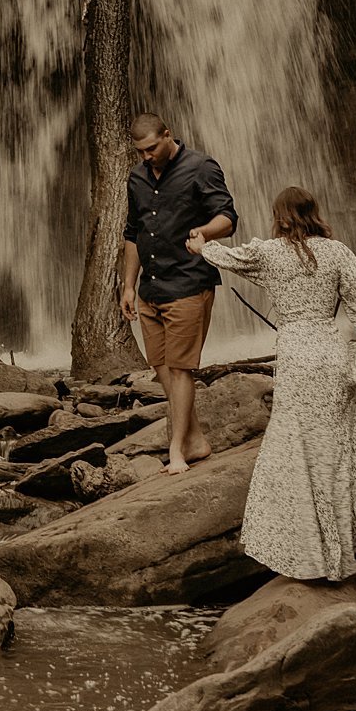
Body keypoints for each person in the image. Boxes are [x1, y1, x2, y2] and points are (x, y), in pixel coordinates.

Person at [190, 187, 356, 581]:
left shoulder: (268, 253)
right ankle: (339, 553)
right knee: (333, 457)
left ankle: (306, 556)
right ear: (313, 212)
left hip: (298, 356)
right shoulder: (336, 252)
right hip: (331, 352)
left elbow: (225, 256)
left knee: (297, 458)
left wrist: (202, 244)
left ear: (280, 216)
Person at [119, 112, 237, 475]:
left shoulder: (200, 167)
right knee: (161, 366)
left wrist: (204, 231)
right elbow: (132, 233)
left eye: (152, 148)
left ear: (168, 135)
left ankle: (176, 450)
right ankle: (196, 440)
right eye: (140, 151)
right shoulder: (137, 177)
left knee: (181, 368)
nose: (146, 157)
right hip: (150, 286)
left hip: (188, 281)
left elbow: (228, 217)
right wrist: (127, 285)